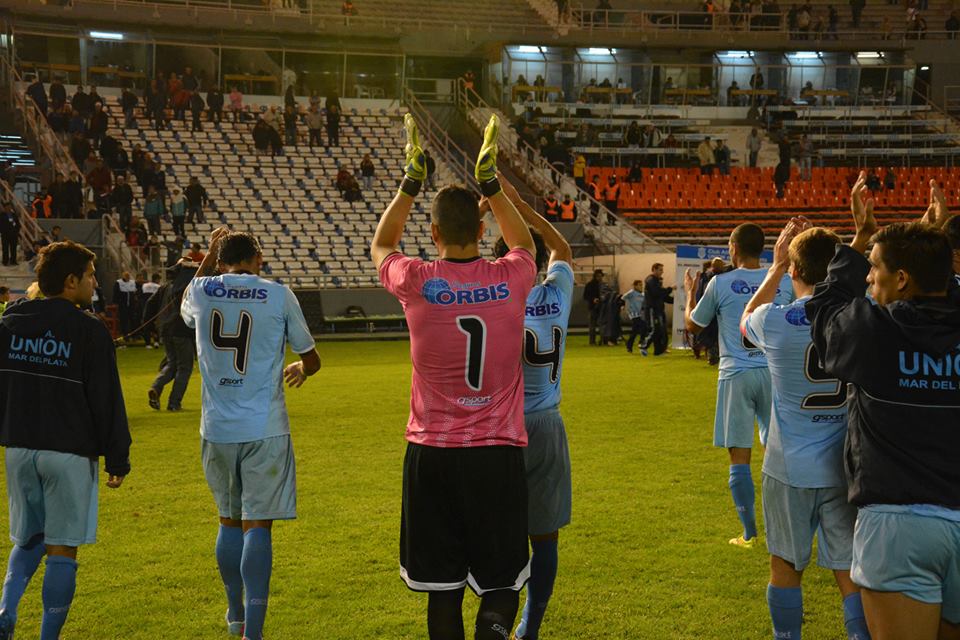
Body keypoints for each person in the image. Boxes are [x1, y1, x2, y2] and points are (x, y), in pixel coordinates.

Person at [370, 114, 536, 640]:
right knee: (502, 582)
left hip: (432, 456)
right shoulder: (511, 278)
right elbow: (526, 245)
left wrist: (409, 185)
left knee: (441, 591)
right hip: (496, 452)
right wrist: (493, 186)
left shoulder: (417, 280)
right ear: (482, 230)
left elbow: (381, 244)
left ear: (435, 232)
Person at [804, 174, 959, 640]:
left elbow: (824, 308)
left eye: (874, 268)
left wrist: (857, 240)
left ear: (903, 278)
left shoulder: (870, 331)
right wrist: (937, 244)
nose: (869, 277)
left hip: (898, 525)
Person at [181, 228, 321, 640]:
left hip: (217, 428)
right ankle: (253, 635)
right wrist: (301, 369)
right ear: (258, 258)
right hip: (265, 427)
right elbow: (310, 358)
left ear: (222, 261)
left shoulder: (204, 289)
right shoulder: (278, 294)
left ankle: (234, 614)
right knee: (257, 526)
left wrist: (207, 259)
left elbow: (184, 309)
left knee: (228, 521)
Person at [740, 219, 871, 640]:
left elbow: (745, 321)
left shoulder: (774, 320)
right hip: (843, 465)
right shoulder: (856, 318)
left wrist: (775, 266)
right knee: (850, 572)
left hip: (788, 467)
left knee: (785, 566)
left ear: (795, 270)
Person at [0, 240, 130, 640]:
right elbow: (106, 398)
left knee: (28, 537)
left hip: (20, 447)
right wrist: (117, 459)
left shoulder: (9, 322)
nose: (94, 282)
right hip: (69, 452)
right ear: (71, 282)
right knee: (62, 547)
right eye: (90, 275)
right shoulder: (89, 330)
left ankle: (5, 611)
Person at [489, 176, 573, 640]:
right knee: (545, 538)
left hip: (499, 425)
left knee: (499, 536)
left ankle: (498, 620)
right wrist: (521, 206)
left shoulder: (495, 299)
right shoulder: (557, 294)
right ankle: (531, 626)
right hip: (547, 424)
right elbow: (561, 247)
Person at [683, 223, 793, 547]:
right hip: (774, 375)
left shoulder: (720, 283)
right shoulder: (781, 281)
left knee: (739, 458)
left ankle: (749, 533)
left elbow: (694, 323)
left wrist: (690, 293)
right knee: (778, 455)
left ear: (733, 246)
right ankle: (781, 527)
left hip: (735, 374)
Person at [639, 263, 673, 356]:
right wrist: (670, 289)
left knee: (660, 331)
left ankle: (658, 351)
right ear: (654, 269)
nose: (662, 272)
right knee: (655, 330)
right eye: (660, 270)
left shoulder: (657, 281)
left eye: (662, 270)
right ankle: (643, 346)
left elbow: (662, 296)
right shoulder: (651, 280)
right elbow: (657, 293)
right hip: (652, 309)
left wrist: (675, 301)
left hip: (659, 309)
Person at [112, 271, 138, 344]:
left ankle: (134, 335)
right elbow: (115, 293)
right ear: (123, 276)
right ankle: (125, 336)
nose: (127, 277)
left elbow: (135, 292)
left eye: (128, 275)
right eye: (126, 275)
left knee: (133, 319)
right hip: (122, 305)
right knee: (124, 320)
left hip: (131, 305)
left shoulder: (132, 282)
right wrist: (115, 302)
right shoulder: (118, 282)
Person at [622, 279, 647, 354]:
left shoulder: (643, 294)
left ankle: (629, 345)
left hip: (640, 314)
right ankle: (640, 343)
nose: (641, 286)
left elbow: (643, 304)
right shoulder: (632, 293)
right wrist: (622, 305)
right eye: (639, 285)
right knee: (642, 326)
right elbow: (623, 297)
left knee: (636, 331)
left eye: (642, 285)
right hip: (633, 314)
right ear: (635, 286)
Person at [584, 269, 605, 345]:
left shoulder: (602, 285)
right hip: (593, 307)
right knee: (593, 325)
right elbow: (586, 296)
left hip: (601, 307)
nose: (600, 278)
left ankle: (602, 340)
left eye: (601, 276)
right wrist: (593, 299)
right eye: (598, 276)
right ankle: (593, 341)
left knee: (601, 325)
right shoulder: (590, 285)